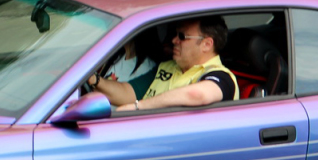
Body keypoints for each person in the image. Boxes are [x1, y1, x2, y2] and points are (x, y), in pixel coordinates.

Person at [89, 16, 238, 111]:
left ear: (206, 44)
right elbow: (128, 93)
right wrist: (95, 80)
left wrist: (139, 107)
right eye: (175, 35)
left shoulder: (221, 76)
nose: (174, 40)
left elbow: (197, 94)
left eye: (182, 36)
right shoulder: (168, 66)